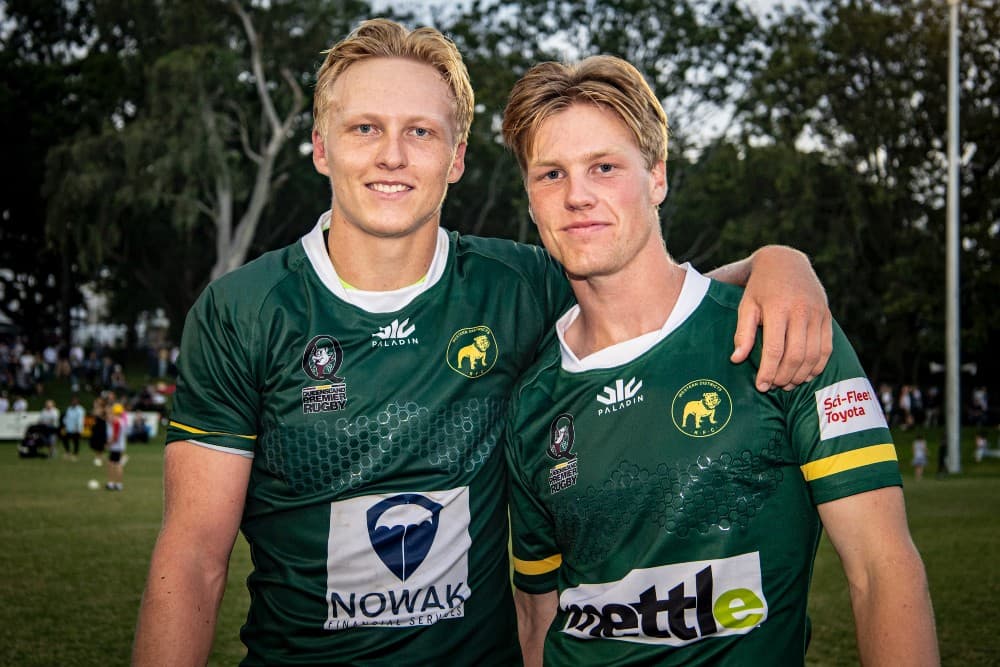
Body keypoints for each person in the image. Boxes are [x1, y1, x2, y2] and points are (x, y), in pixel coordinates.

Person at [132, 20, 834, 666]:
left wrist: (778, 261)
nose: (392, 156)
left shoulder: (519, 285)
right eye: (364, 128)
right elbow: (194, 555)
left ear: (458, 157)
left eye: (421, 132)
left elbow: (651, 297)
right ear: (320, 146)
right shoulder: (244, 310)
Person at [500, 56, 938, 666]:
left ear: (656, 176)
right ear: (531, 197)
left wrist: (780, 257)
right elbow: (538, 616)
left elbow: (881, 569)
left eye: (604, 166)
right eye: (551, 174)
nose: (577, 195)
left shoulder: (785, 330)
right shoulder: (531, 400)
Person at [106, 403, 127, 490]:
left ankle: (112, 483)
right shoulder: (122, 421)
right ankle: (118, 484)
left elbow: (115, 436)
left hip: (115, 447)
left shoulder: (116, 422)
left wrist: (108, 443)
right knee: (118, 464)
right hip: (120, 446)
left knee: (113, 464)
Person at [61, 395, 86, 461]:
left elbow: (80, 420)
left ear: (78, 402)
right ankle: (68, 452)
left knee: (76, 442)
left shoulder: (80, 410)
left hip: (76, 429)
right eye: (72, 401)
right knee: (64, 439)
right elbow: (66, 418)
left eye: (75, 401)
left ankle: (75, 455)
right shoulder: (69, 409)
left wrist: (78, 428)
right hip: (68, 428)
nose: (73, 402)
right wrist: (65, 425)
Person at [88, 396, 108, 467]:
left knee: (100, 443)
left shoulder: (104, 409)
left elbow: (105, 417)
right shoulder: (96, 408)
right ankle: (99, 456)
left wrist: (98, 413)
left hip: (101, 427)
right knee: (94, 443)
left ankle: (98, 457)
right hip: (96, 427)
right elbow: (92, 414)